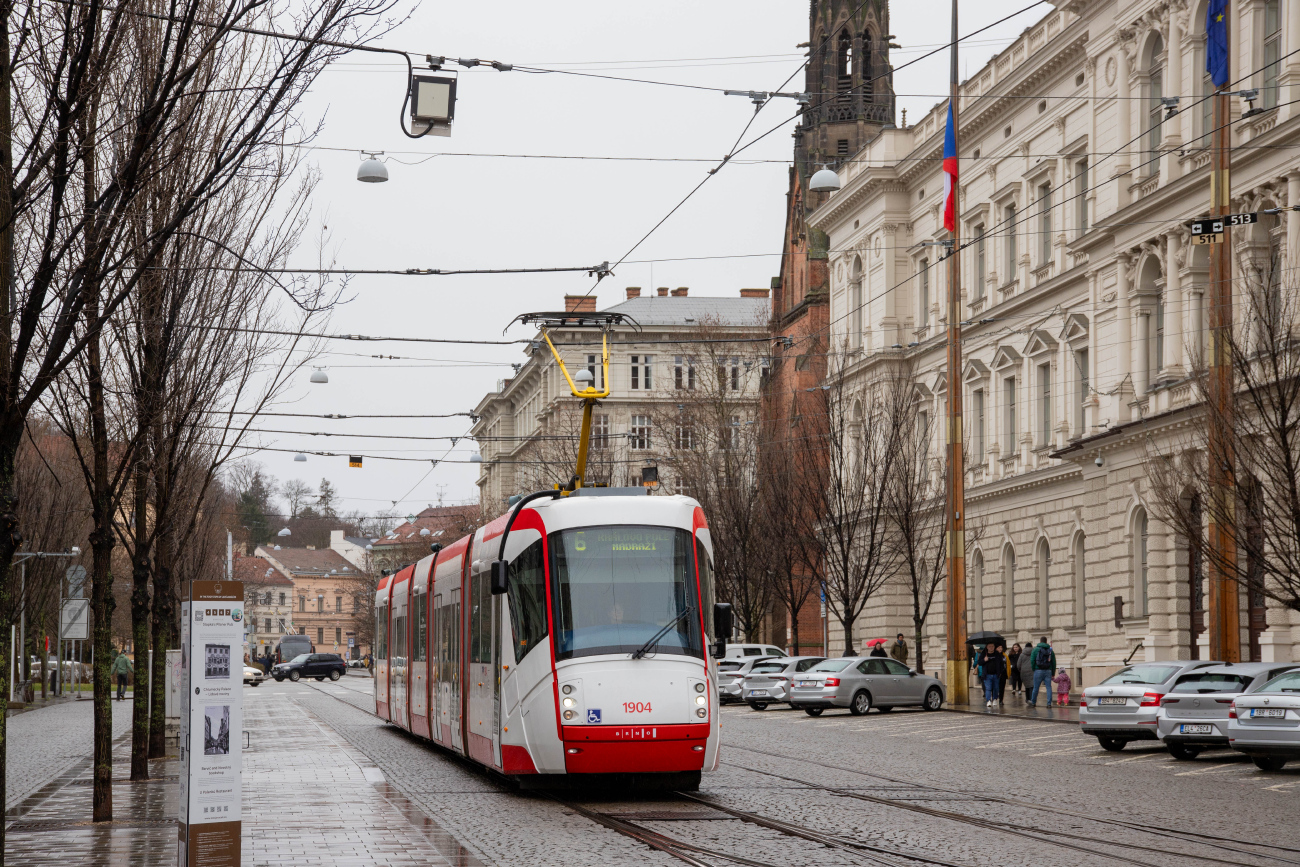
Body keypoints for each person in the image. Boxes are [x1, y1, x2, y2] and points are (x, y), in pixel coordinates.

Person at [1028, 636, 1056, 707]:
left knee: (1036, 687)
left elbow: (1032, 660)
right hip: (1048, 670)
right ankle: (1049, 703)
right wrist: (1053, 672)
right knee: (1048, 687)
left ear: (1040, 641)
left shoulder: (1035, 649)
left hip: (1038, 670)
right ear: (1046, 642)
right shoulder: (1050, 650)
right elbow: (1053, 662)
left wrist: (1034, 668)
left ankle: (1033, 702)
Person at [977, 644, 1006, 708]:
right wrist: (984, 660)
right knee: (988, 688)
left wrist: (1000, 672)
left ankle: (995, 699)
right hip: (987, 675)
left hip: (996, 674)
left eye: (992, 646)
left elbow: (1001, 663)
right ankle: (988, 700)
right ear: (987, 647)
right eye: (989, 646)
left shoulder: (997, 654)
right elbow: (979, 662)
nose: (991, 648)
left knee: (996, 688)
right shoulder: (984, 653)